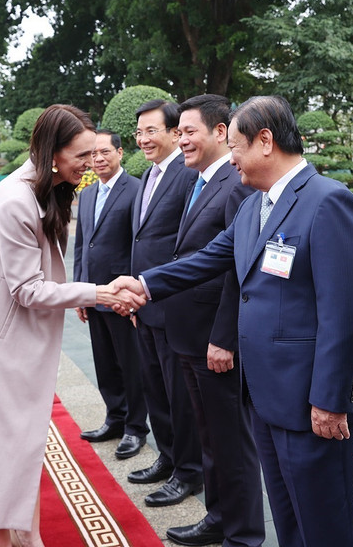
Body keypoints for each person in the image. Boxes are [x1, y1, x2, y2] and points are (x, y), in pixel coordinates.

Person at [120, 95, 353, 547]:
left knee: (325, 524)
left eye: (235, 146)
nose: (231, 157)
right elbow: (208, 259)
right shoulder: (253, 205)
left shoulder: (328, 202)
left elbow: (344, 314)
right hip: (262, 395)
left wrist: (331, 399)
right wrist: (143, 284)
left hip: (310, 403)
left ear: (266, 142)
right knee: (289, 517)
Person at [0, 104, 145, 547]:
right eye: (81, 155)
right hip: (3, 343)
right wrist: (99, 293)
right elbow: (28, 291)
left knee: (24, 443)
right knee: (4, 445)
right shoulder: (18, 199)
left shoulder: (43, 189)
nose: (89, 164)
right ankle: (2, 539)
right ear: (52, 152)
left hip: (18, 338)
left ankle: (28, 533)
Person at [162, 94, 263, 547]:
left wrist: (224, 336)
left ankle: (243, 535)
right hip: (188, 333)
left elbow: (238, 268)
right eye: (178, 132)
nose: (180, 140)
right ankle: (218, 517)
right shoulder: (198, 181)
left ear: (221, 132)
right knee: (210, 437)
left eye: (188, 131)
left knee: (231, 443)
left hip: (215, 341)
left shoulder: (236, 182)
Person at [127, 99, 203, 507]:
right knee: (155, 390)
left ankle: (189, 472)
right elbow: (141, 241)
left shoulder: (187, 175)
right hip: (146, 305)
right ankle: (169, 457)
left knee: (179, 395)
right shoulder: (148, 176)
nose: (143, 139)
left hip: (174, 304)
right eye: (139, 132)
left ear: (175, 132)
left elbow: (187, 245)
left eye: (151, 130)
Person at [74, 129, 149, 460]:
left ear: (120, 153)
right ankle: (114, 419)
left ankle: (136, 428)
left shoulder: (136, 190)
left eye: (105, 152)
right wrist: (81, 290)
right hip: (95, 294)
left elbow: (138, 245)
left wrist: (132, 296)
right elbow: (81, 245)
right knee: (105, 364)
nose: (98, 159)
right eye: (93, 154)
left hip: (121, 297)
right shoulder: (87, 194)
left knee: (131, 365)